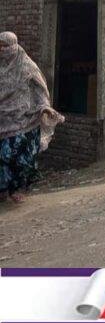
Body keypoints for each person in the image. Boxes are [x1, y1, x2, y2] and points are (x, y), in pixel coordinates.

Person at [0, 32, 64, 204]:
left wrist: (44, 107)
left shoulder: (27, 66)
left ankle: (19, 189)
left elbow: (39, 90)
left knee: (21, 158)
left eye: (5, 46)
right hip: (3, 120)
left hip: (24, 121)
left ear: (14, 46)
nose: (2, 50)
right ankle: (3, 189)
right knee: (2, 157)